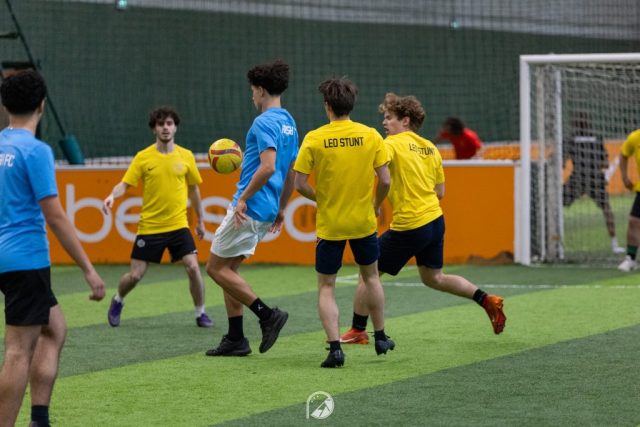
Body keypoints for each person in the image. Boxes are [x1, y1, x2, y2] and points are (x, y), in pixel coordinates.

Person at [340, 93, 506, 347]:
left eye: (389, 117)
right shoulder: (431, 148)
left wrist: (374, 202)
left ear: (405, 120)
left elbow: (379, 175)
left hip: (409, 224)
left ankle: (358, 330)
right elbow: (440, 192)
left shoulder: (390, 144)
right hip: (435, 221)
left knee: (368, 274)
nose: (384, 122)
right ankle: (486, 300)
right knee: (433, 278)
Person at [0, 70, 106, 427]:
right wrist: (88, 269)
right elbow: (55, 216)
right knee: (18, 350)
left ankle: (40, 419)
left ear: (5, 105)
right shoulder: (35, 150)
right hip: (26, 259)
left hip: (6, 258)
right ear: (42, 106)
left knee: (55, 328)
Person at [294, 77, 393, 368]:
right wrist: (375, 205)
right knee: (371, 277)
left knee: (327, 286)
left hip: (331, 225)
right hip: (363, 221)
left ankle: (335, 349)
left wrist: (321, 199)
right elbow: (385, 180)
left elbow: (299, 183)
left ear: (327, 106)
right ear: (352, 104)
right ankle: (380, 336)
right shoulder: (371, 135)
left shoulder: (314, 138)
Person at [205, 59, 297, 357]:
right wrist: (282, 208)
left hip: (251, 206)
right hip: (268, 208)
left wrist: (243, 198)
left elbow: (268, 167)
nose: (251, 96)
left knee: (215, 268)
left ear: (260, 90)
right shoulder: (289, 123)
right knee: (229, 269)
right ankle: (235, 339)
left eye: (252, 91)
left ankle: (268, 315)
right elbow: (291, 171)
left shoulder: (263, 122)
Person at [102, 106, 213, 328]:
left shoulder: (186, 156)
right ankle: (118, 299)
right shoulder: (143, 157)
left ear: (175, 128)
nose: (165, 128)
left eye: (169, 123)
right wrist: (112, 196)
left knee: (193, 267)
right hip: (150, 227)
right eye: (160, 124)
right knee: (135, 275)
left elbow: (194, 190)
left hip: (178, 225)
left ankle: (200, 313)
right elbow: (125, 184)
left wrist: (200, 220)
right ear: (154, 129)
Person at [562, 115, 624, 254]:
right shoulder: (596, 139)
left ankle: (553, 243)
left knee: (556, 205)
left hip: (578, 177)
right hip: (594, 178)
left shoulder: (571, 140)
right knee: (607, 209)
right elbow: (605, 163)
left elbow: (563, 160)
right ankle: (614, 244)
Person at [617, 128, 640, 272]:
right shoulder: (635, 137)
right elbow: (623, 154)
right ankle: (630, 258)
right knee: (634, 221)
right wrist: (624, 177)